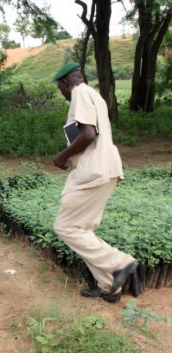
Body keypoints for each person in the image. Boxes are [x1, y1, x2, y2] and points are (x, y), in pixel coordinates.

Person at [52, 62, 138, 303]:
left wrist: (63, 156)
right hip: (106, 169)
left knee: (66, 227)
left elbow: (89, 134)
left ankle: (120, 262)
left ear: (65, 83)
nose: (62, 92)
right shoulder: (95, 96)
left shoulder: (79, 92)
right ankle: (110, 286)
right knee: (83, 229)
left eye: (60, 88)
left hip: (93, 172)